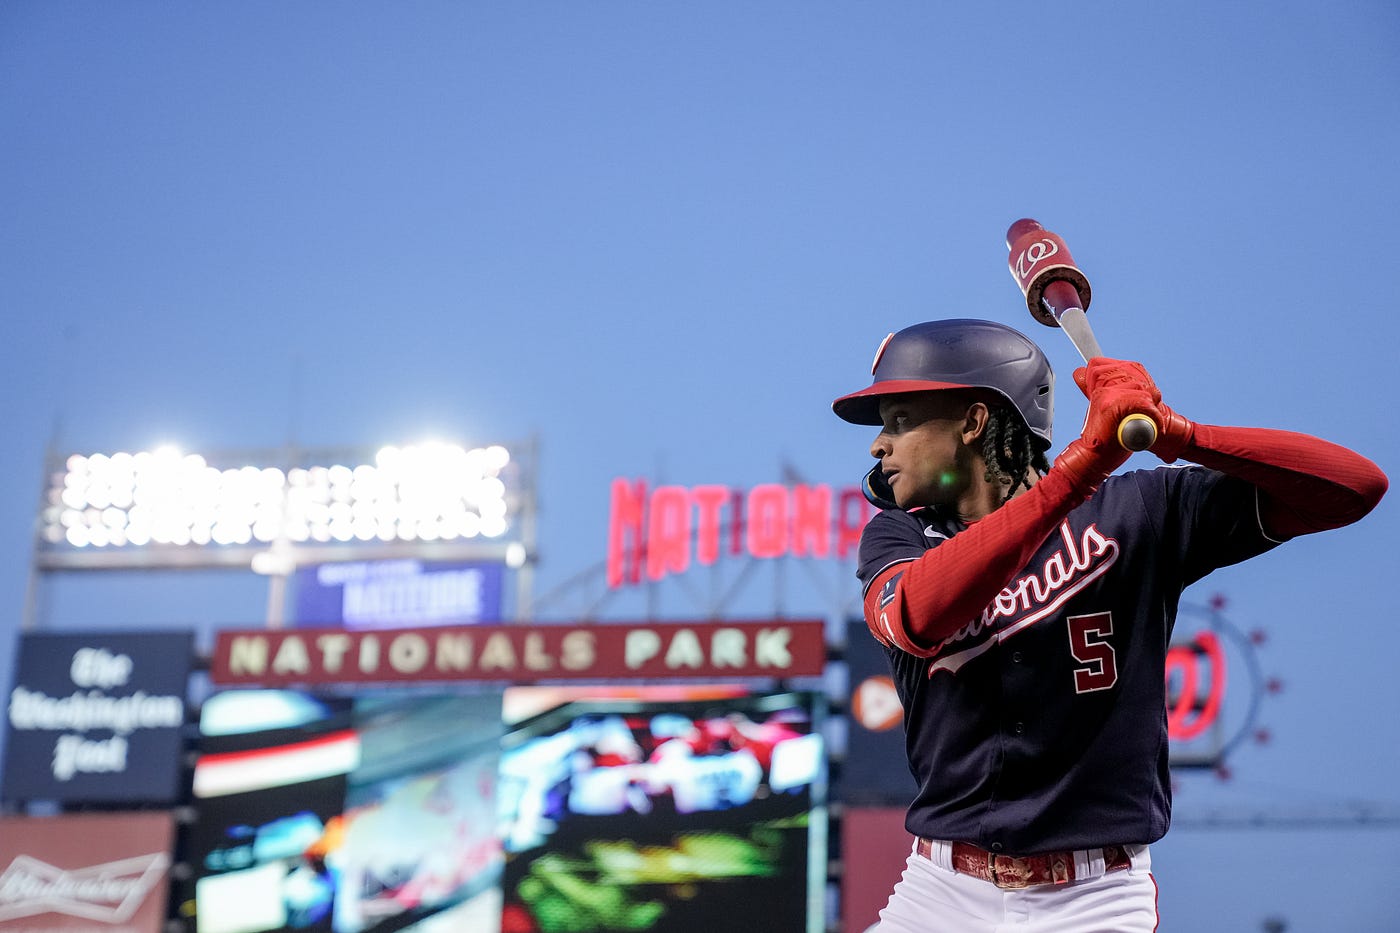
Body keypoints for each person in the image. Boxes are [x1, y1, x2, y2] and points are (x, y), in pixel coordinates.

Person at [831, 318, 1387, 932]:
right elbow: (919, 615)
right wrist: (1079, 470)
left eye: (900, 420)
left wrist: (1180, 433)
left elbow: (1354, 487)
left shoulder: (1137, 512)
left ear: (974, 422)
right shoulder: (900, 536)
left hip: (1093, 899)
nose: (879, 444)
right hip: (941, 891)